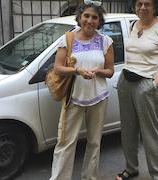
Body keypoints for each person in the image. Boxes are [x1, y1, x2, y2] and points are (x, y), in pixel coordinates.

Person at [49, 1, 114, 180]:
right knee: (65, 143)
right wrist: (77, 71)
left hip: (99, 99)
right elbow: (58, 68)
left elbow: (110, 71)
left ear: (99, 20)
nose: (90, 20)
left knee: (94, 142)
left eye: (95, 17)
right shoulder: (68, 38)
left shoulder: (105, 41)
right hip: (73, 99)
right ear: (80, 17)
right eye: (86, 16)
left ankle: (89, 177)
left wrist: (98, 71)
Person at [116, 0, 158, 180]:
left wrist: (154, 83)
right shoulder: (133, 24)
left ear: (155, 6)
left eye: (147, 3)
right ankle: (131, 168)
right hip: (126, 82)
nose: (142, 7)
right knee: (127, 130)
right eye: (139, 3)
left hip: (147, 84)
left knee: (150, 134)